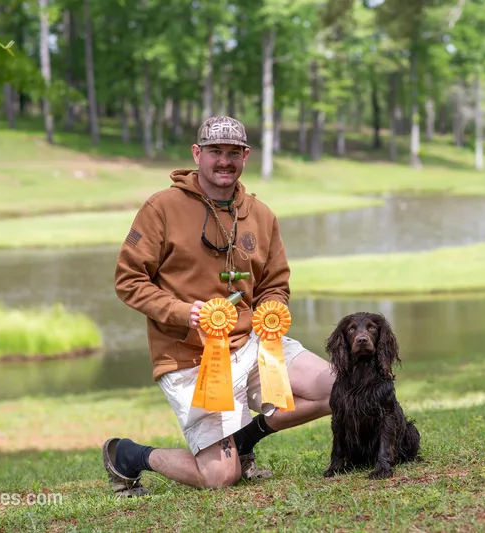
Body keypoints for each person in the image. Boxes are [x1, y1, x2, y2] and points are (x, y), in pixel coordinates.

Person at [102, 116, 335, 496]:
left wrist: (270, 312)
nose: (224, 161)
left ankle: (243, 441)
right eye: (214, 152)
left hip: (254, 345)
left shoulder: (261, 215)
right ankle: (128, 455)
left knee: (341, 387)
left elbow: (275, 283)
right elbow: (129, 282)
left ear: (246, 156)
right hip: (191, 358)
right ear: (197, 154)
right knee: (219, 477)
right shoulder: (160, 208)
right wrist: (182, 312)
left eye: (233, 153)